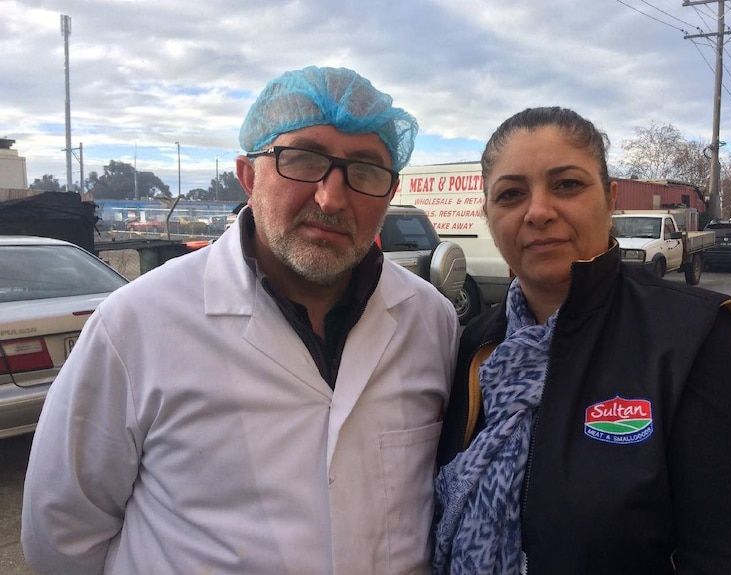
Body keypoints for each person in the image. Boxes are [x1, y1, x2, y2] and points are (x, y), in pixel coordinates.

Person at [22, 66, 459, 574]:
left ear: (388, 192)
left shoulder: (430, 321)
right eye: (303, 159)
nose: (331, 198)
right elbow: (62, 535)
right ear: (249, 175)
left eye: (364, 171)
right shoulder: (136, 325)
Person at [433, 106, 731, 574]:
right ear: (489, 214)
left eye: (567, 185)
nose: (538, 211)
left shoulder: (699, 341)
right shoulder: (476, 350)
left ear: (611, 198)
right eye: (511, 194)